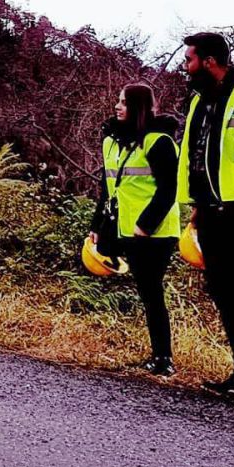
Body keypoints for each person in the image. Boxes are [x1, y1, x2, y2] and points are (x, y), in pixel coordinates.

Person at [177, 31, 234, 404]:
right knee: (222, 290)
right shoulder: (200, 99)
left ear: (209, 61)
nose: (186, 66)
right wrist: (197, 205)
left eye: (190, 59)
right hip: (211, 210)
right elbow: (199, 154)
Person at [88, 83, 180, 376]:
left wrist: (145, 226)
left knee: (151, 291)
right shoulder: (111, 142)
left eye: (124, 103)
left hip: (156, 232)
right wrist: (97, 225)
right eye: (118, 101)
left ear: (139, 107)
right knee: (144, 290)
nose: (117, 107)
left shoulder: (159, 142)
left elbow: (169, 189)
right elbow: (107, 188)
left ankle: (163, 359)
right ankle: (157, 355)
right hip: (124, 226)